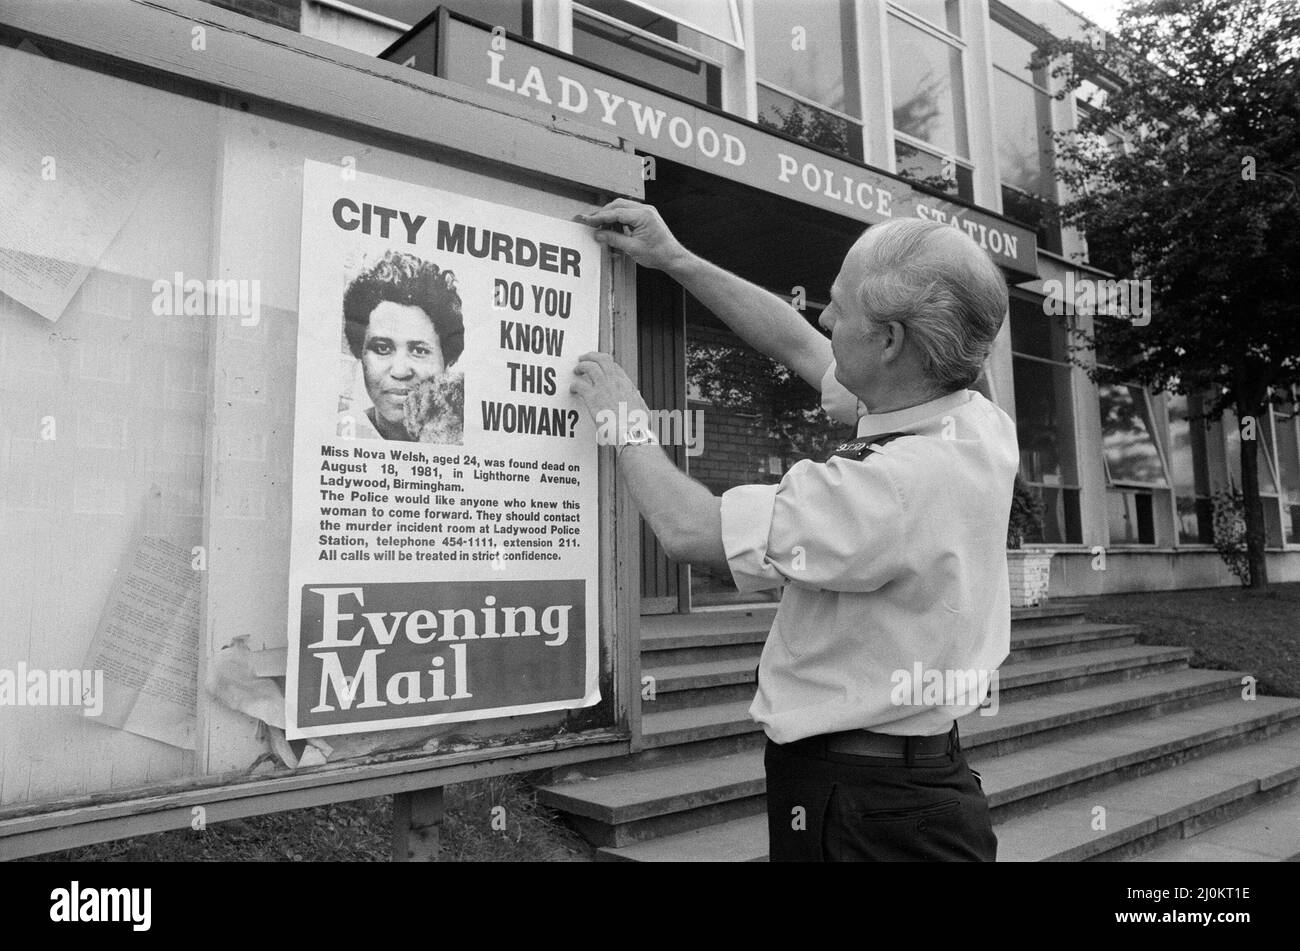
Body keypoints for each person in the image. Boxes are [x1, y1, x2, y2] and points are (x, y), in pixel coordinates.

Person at [570, 199, 1017, 862]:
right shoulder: (973, 421)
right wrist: (674, 257)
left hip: (863, 806)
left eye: (839, 307)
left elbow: (690, 531)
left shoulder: (888, 485)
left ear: (890, 342)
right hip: (916, 786)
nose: (825, 318)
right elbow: (795, 343)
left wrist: (625, 419)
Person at [340, 250, 465, 442]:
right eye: (382, 348)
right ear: (361, 353)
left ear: (447, 359)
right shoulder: (341, 431)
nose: (399, 371)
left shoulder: (465, 439)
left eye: (419, 351)